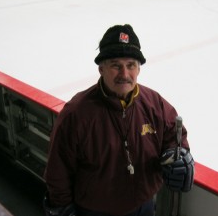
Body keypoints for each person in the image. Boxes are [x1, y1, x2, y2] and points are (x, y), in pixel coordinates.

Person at [43, 24, 194, 216]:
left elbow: (174, 134)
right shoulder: (76, 113)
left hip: (144, 207)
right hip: (95, 211)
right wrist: (61, 207)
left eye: (130, 65)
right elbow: (58, 172)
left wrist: (177, 153)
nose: (124, 74)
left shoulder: (154, 103)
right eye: (115, 65)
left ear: (138, 69)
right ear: (101, 69)